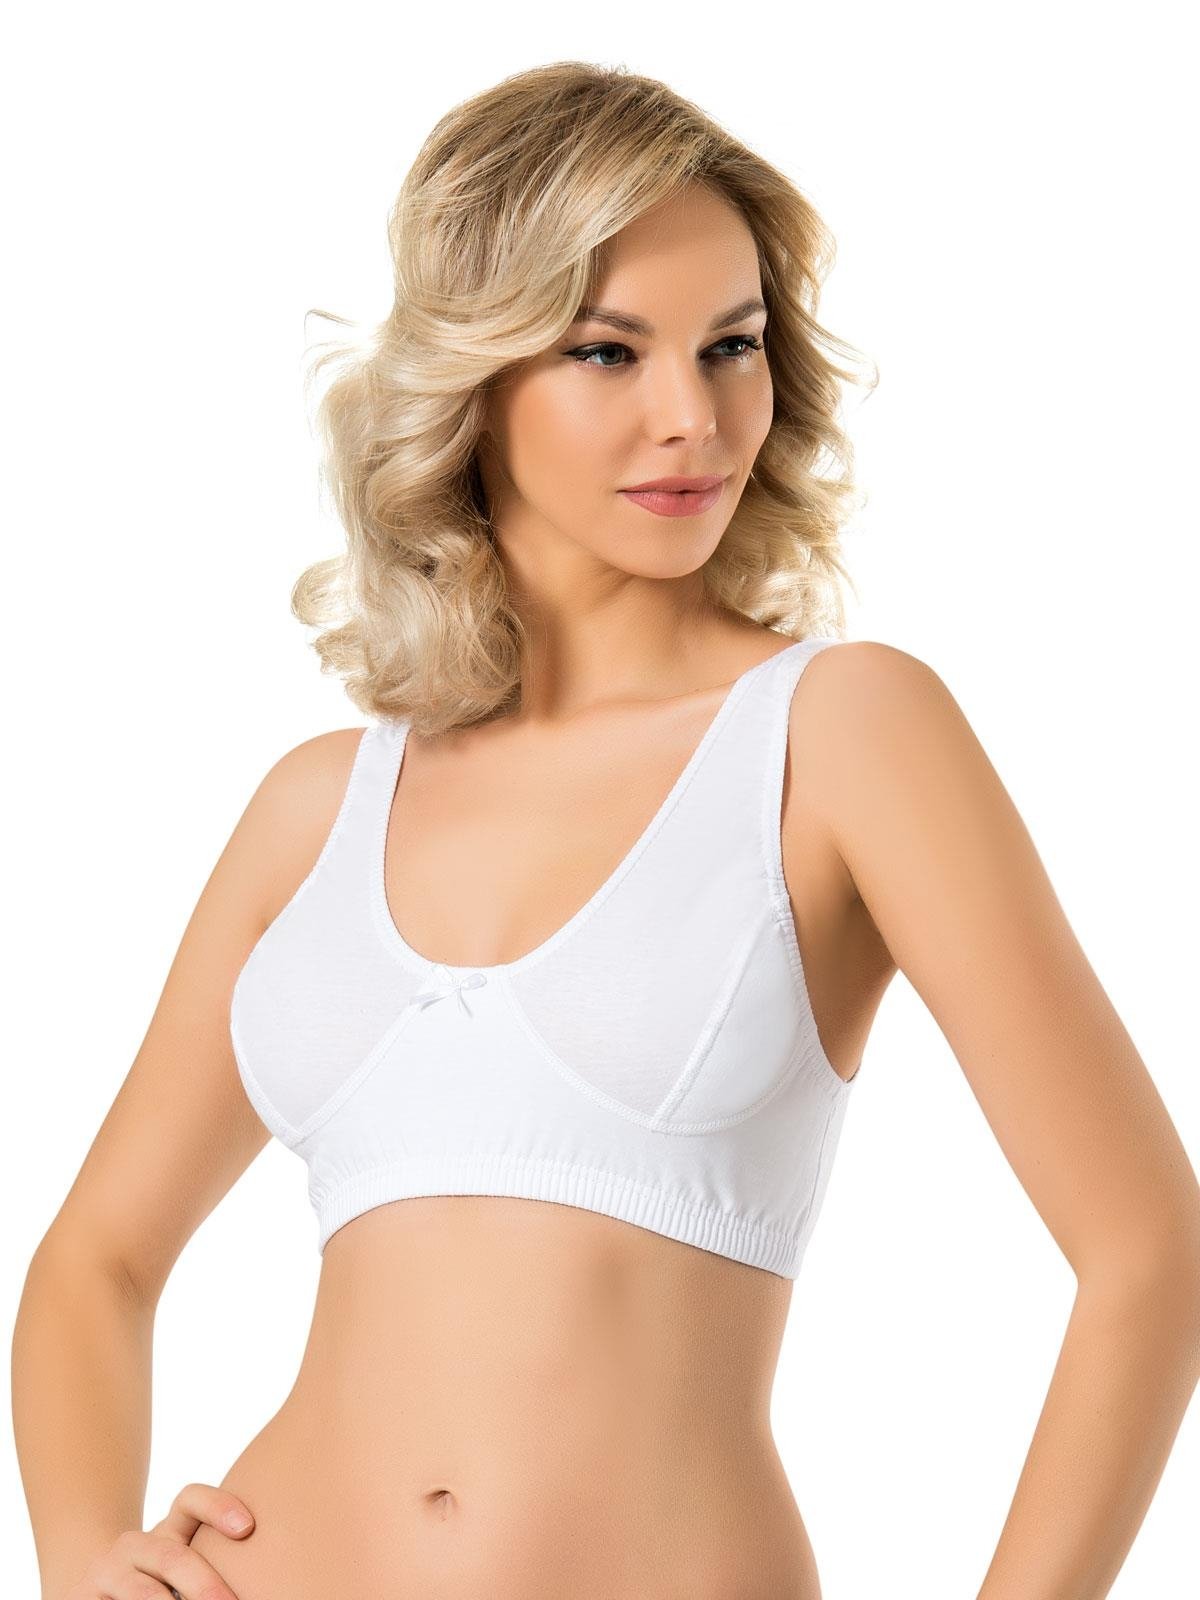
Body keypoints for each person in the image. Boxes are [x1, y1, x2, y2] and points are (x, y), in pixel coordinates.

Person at [14, 59, 1200, 1600]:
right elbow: (93, 1265)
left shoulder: (839, 736)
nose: (690, 417)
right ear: (476, 375)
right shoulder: (317, 808)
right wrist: (79, 1561)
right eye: (607, 351)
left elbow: (1149, 1251)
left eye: (731, 347)